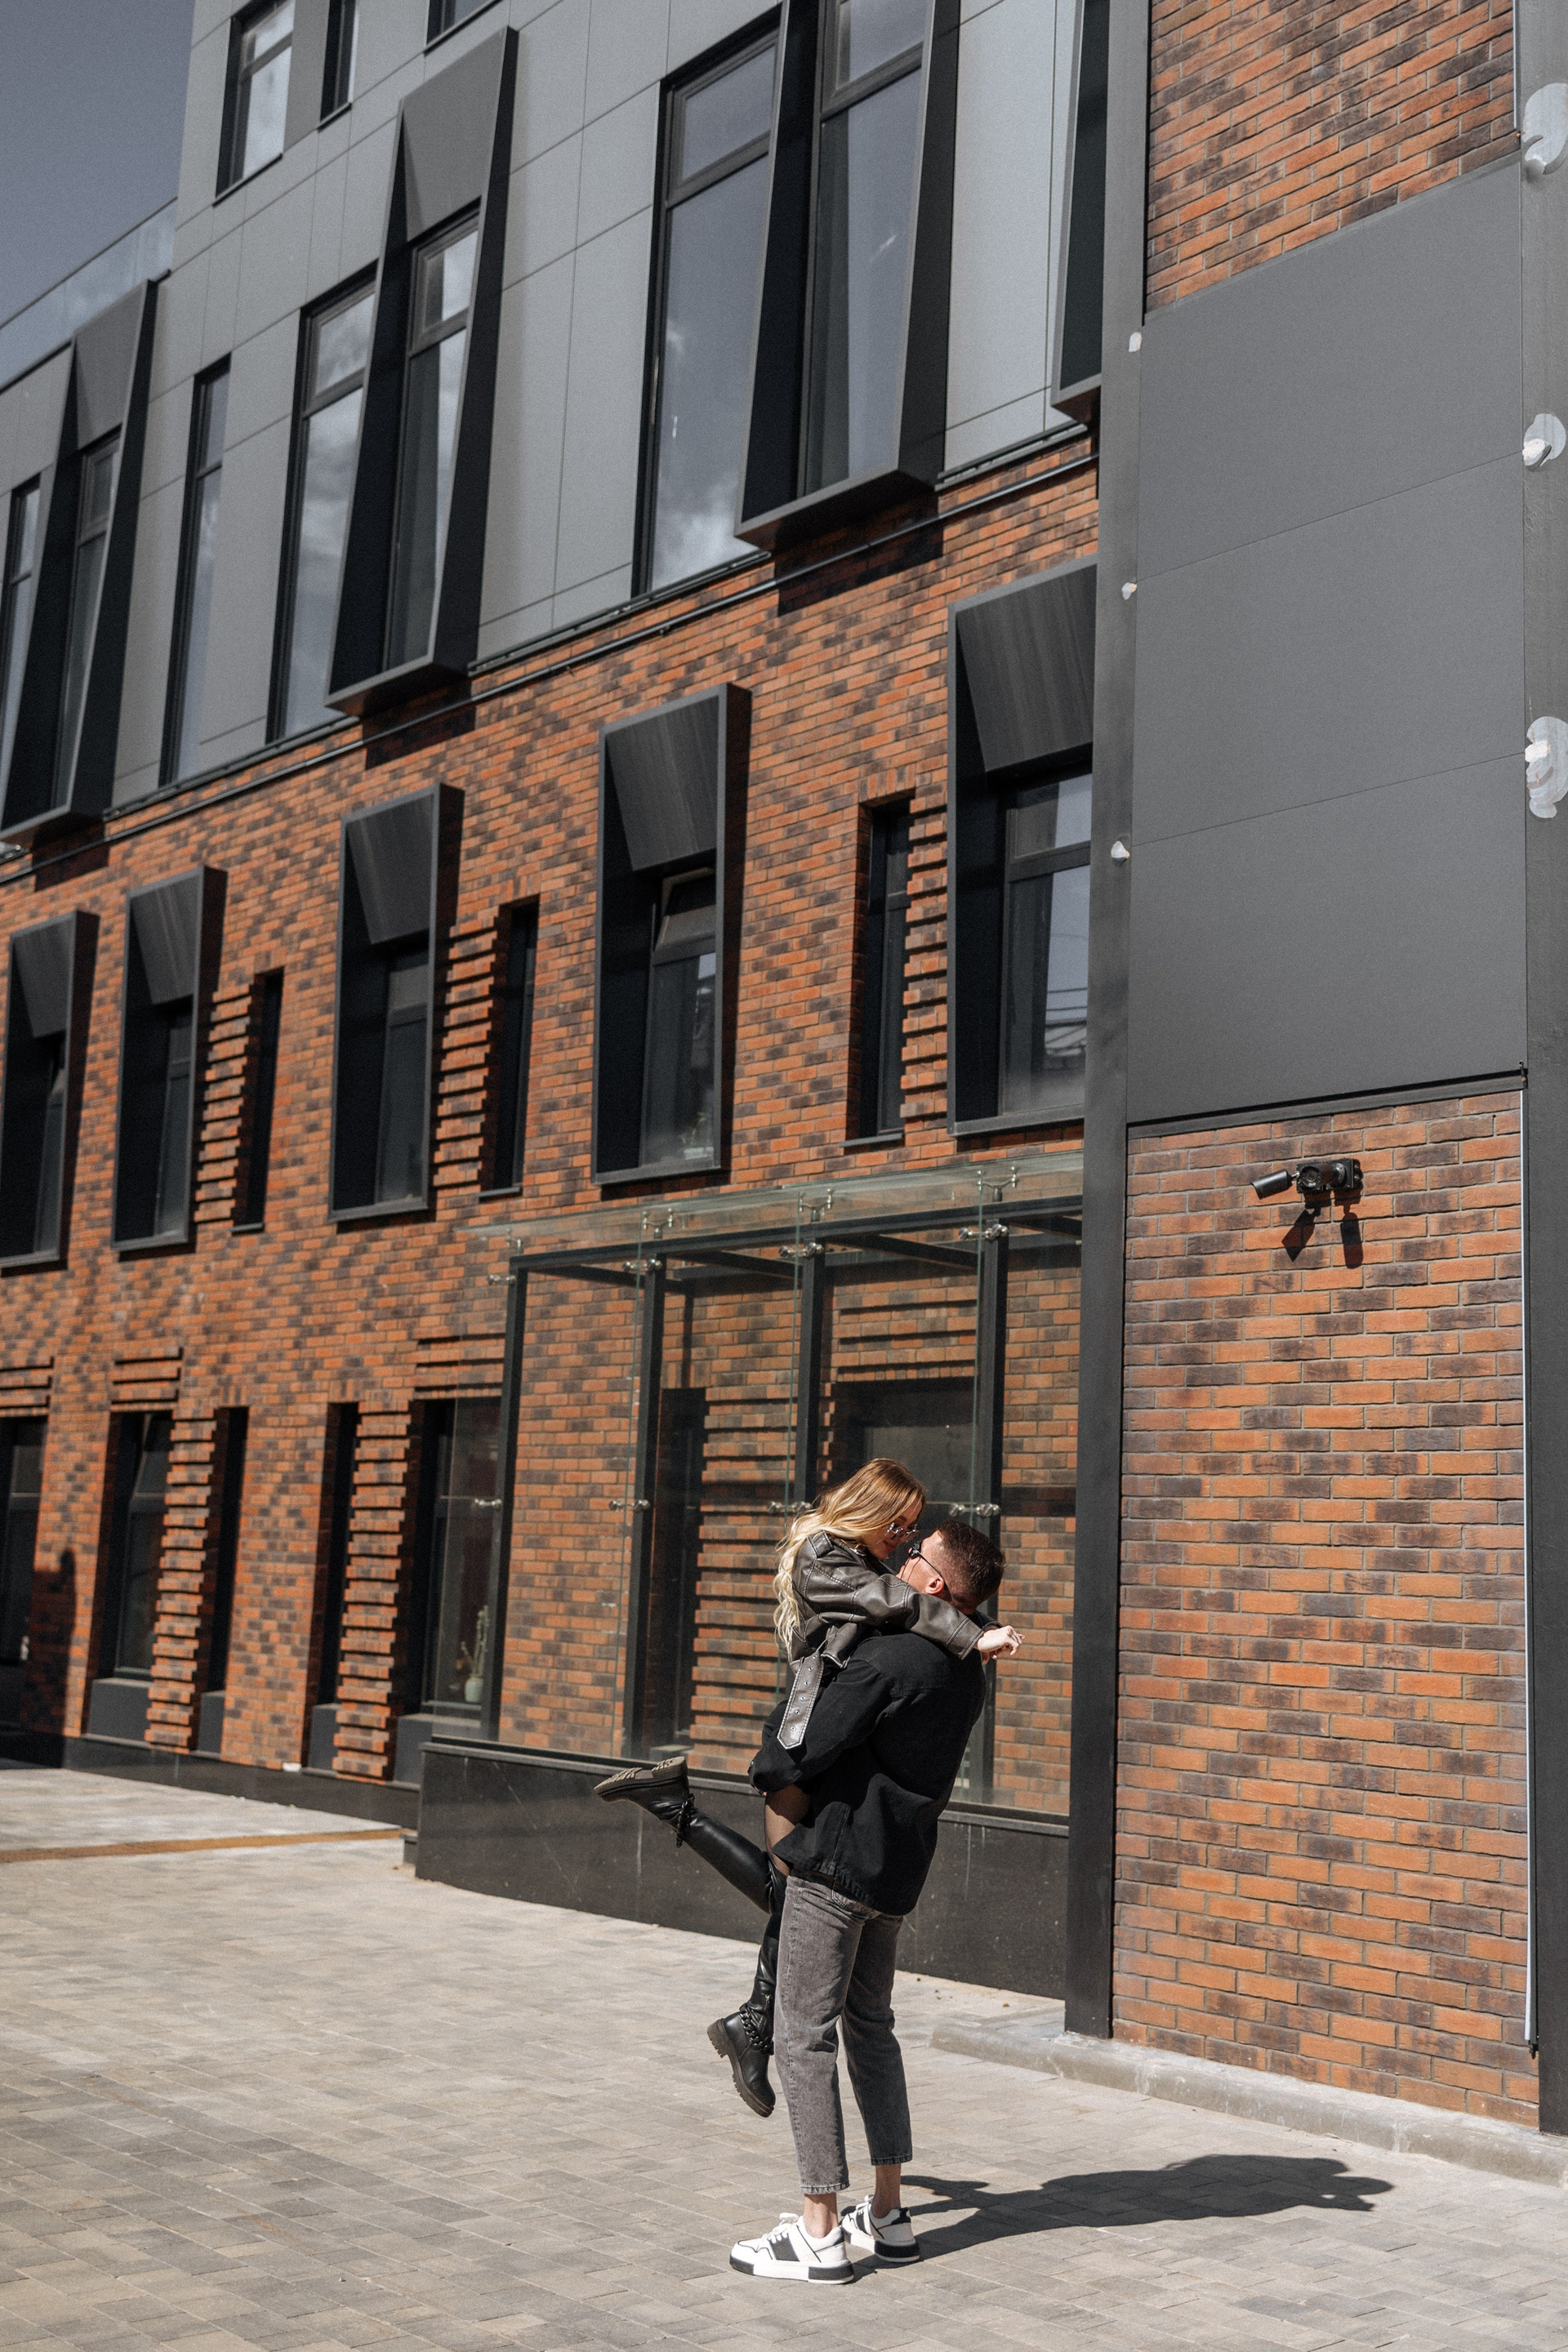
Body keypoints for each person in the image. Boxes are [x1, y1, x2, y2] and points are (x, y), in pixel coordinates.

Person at [594, 1461, 1020, 2117]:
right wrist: (973, 1632)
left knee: (793, 1893)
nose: (903, 1539)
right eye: (898, 1524)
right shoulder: (825, 1555)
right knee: (791, 1888)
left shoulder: (869, 1560)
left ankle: (751, 2023)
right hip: (804, 1735)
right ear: (868, 1510)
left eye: (911, 1530)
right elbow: (905, 1602)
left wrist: (976, 1620)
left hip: (829, 1730)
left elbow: (933, 1593)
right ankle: (676, 1809)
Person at [728, 1514, 1005, 2284]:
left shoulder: (894, 1656)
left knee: (802, 2036)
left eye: (913, 1555)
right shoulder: (966, 1669)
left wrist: (769, 1769)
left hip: (837, 1867)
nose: (900, 1561)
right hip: (896, 1872)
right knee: (872, 2031)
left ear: (933, 1582)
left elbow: (807, 1745)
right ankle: (888, 2213)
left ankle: (819, 2230)